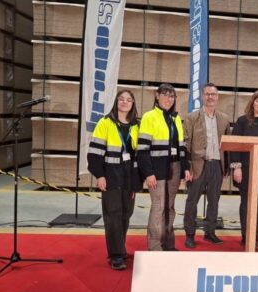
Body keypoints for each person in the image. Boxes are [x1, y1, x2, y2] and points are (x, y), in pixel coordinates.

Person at [87, 89, 141, 270]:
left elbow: (139, 155)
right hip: (111, 174)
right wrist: (99, 175)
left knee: (126, 214)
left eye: (128, 100)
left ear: (133, 104)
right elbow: (94, 153)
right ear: (116, 102)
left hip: (129, 175)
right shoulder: (105, 123)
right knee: (113, 215)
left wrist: (137, 181)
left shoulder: (137, 125)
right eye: (121, 99)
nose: (125, 102)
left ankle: (120, 248)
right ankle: (116, 255)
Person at [137, 84, 190, 252]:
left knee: (170, 207)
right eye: (165, 95)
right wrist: (148, 173)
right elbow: (142, 149)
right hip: (157, 169)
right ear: (157, 95)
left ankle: (168, 244)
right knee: (158, 207)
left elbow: (182, 147)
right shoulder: (149, 117)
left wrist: (185, 168)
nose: (169, 99)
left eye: (172, 96)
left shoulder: (176, 118)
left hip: (175, 167)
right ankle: (154, 246)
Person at [183, 83, 230, 248]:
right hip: (197, 165)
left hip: (217, 165)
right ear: (202, 96)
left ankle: (210, 232)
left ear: (217, 97)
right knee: (192, 201)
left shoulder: (224, 119)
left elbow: (227, 145)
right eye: (207, 94)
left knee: (214, 201)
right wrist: (187, 167)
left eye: (213, 94)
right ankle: (190, 234)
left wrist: (226, 167)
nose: (210, 97)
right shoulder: (192, 117)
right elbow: (186, 143)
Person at [231, 90, 258, 248]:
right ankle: (246, 234)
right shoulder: (243, 121)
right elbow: (234, 145)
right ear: (252, 103)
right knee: (246, 202)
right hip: (246, 168)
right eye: (257, 100)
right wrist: (237, 167)